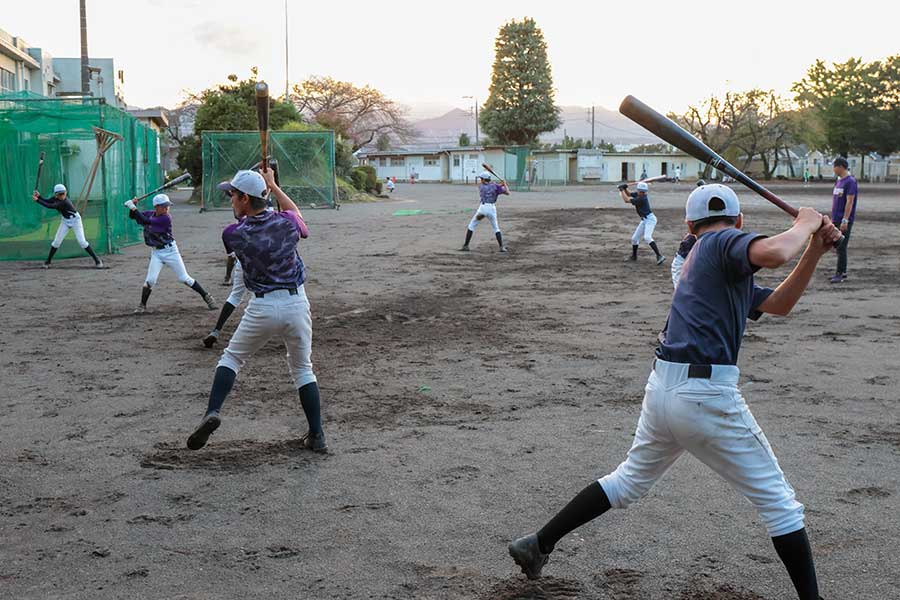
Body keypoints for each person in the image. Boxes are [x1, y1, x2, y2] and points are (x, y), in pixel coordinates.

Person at [508, 183, 841, 600]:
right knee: (780, 503)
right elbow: (774, 254)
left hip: (665, 388)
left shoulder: (706, 264)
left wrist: (813, 249)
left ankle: (538, 543)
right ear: (739, 222)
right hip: (704, 395)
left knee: (627, 480)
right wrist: (807, 222)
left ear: (689, 223)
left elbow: (778, 304)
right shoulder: (723, 242)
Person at [186, 169, 326, 453]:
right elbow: (298, 218)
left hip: (261, 307)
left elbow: (250, 221)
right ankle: (317, 435)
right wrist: (273, 185)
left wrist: (265, 189)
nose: (230, 199)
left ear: (245, 199)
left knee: (232, 358)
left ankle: (212, 411)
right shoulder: (286, 223)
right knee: (302, 369)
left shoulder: (232, 234)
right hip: (296, 304)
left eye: (233, 195)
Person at [125, 194, 217, 313]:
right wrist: (133, 206)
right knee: (150, 280)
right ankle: (142, 305)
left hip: (170, 251)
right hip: (156, 252)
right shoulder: (149, 213)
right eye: (164, 206)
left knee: (184, 278)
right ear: (157, 207)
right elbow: (134, 217)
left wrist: (133, 207)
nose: (167, 208)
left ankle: (206, 296)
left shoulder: (166, 218)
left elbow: (145, 221)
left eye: (167, 206)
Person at [32, 184, 104, 269]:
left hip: (75, 221)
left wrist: (38, 200)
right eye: (60, 194)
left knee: (82, 242)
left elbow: (50, 206)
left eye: (64, 193)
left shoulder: (64, 202)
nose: (62, 195)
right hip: (65, 221)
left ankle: (97, 260)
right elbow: (48, 201)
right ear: (56, 194)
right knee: (56, 242)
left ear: (66, 193)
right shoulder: (55, 199)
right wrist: (39, 196)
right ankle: (48, 261)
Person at [459, 172, 510, 253]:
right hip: (492, 210)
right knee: (496, 228)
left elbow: (491, 186)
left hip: (482, 210)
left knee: (471, 225)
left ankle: (466, 245)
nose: (480, 180)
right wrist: (505, 184)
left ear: (483, 179)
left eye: (481, 179)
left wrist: (501, 184)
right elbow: (507, 192)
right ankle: (501, 247)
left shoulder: (481, 186)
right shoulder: (495, 186)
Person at [618, 181, 665, 265]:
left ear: (644, 192)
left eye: (643, 192)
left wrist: (621, 190)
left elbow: (626, 200)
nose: (642, 193)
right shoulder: (638, 195)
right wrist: (625, 188)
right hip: (644, 220)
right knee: (634, 239)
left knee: (647, 237)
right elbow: (629, 194)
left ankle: (659, 256)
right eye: (641, 191)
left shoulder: (641, 198)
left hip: (650, 220)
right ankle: (634, 256)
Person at [829, 157, 857, 284]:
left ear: (840, 166)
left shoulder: (850, 182)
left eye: (834, 166)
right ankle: (841, 270)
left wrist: (845, 220)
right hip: (835, 218)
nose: (833, 169)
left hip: (843, 219)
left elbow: (849, 202)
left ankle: (840, 273)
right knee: (837, 246)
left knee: (841, 246)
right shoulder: (838, 181)